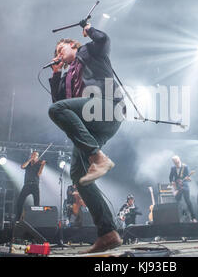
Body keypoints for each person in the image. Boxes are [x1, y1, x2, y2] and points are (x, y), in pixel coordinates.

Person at [48, 20, 125, 253]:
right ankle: (108, 232)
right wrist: (56, 75)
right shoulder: (66, 74)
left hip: (107, 108)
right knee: (78, 175)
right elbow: (60, 104)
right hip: (93, 125)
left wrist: (89, 30)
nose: (58, 55)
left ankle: (97, 157)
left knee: (57, 110)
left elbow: (103, 40)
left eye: (61, 50)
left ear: (72, 45)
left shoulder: (89, 51)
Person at [15, 151, 46, 221]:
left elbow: (39, 174)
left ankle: (36, 220)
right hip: (27, 185)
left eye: (35, 155)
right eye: (33, 154)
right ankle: (18, 219)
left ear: (37, 157)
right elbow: (22, 166)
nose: (34, 156)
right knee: (19, 202)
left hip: (35, 185)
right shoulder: (28, 163)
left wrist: (42, 165)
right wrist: (29, 160)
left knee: (36, 204)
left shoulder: (39, 164)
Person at [169, 156, 198, 222]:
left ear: (179, 160)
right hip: (177, 187)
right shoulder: (172, 168)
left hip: (184, 187)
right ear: (173, 162)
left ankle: (193, 218)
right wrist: (172, 182)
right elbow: (170, 177)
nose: (177, 164)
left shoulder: (185, 167)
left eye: (178, 162)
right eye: (175, 163)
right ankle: (181, 216)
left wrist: (187, 179)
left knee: (188, 201)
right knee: (177, 201)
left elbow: (187, 178)